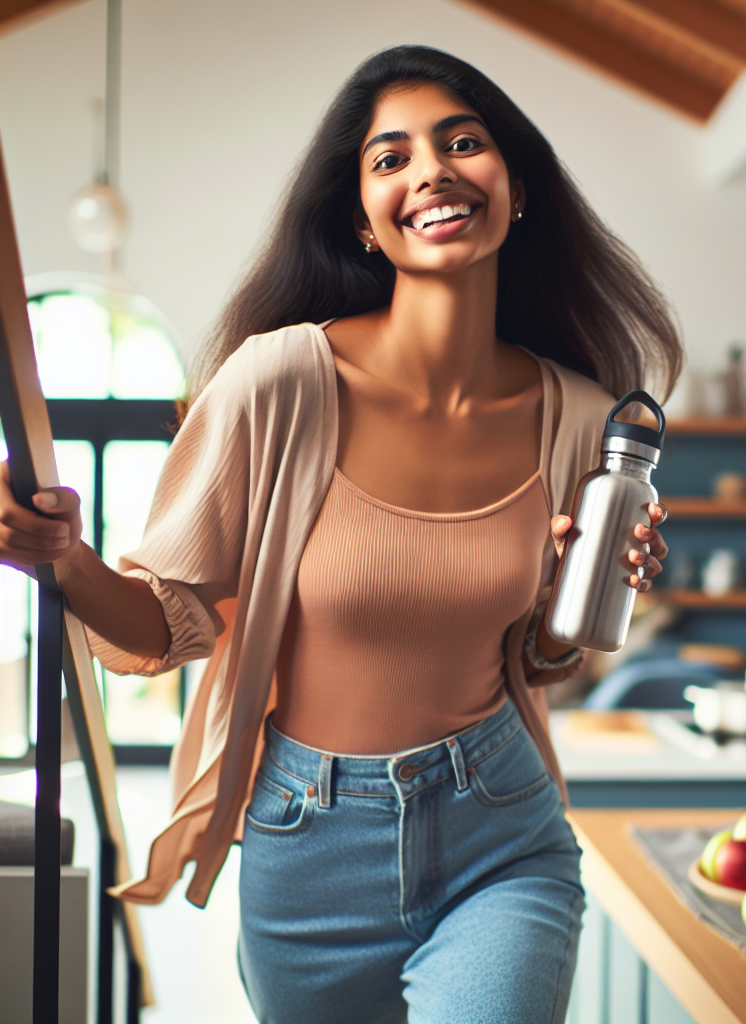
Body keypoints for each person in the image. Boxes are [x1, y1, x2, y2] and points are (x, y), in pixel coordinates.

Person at [0, 46, 680, 1024]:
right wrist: (63, 558)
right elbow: (161, 627)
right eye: (390, 159)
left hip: (500, 830)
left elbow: (540, 655)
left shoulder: (577, 415)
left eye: (462, 143)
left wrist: (579, 590)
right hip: (307, 840)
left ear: (515, 187)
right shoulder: (276, 385)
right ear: (362, 220)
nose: (433, 172)